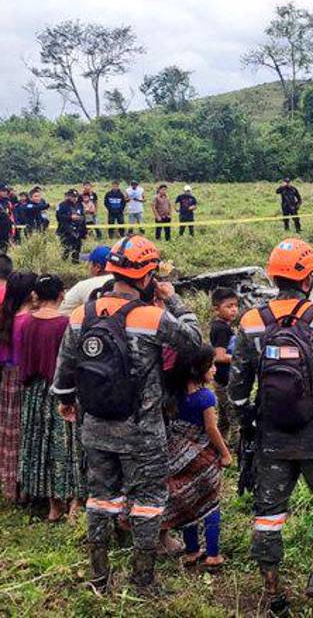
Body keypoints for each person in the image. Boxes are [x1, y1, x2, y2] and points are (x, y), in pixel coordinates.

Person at [52, 235, 203, 592]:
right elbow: (194, 342)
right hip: (143, 431)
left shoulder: (80, 314)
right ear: (147, 275)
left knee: (100, 499)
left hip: (95, 427)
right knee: (148, 503)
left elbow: (64, 373)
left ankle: (98, 579)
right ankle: (142, 581)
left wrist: (67, 401)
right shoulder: (152, 317)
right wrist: (174, 300)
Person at [228, 238, 313, 610]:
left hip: (270, 430)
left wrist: (247, 423)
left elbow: (236, 389)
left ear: (273, 277)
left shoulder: (251, 321)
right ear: (309, 277)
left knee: (268, 513)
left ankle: (273, 595)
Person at [16, 275, 81, 521]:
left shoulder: (25, 323)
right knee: (67, 447)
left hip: (34, 391)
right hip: (60, 393)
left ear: (36, 296)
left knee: (38, 445)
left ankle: (52, 505)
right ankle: (73, 501)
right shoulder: (65, 323)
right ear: (61, 294)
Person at [165, 345, 230, 570]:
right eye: (210, 366)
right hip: (203, 459)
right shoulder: (206, 397)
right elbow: (211, 429)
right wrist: (225, 453)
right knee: (211, 504)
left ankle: (192, 551)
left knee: (187, 502)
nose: (214, 369)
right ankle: (213, 555)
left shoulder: (173, 396)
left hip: (177, 459)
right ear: (197, 370)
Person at [0, 271, 36, 502]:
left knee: (8, 432)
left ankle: (9, 483)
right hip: (25, 379)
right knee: (26, 432)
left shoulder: (6, 317)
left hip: (6, 378)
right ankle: (25, 487)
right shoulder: (29, 322)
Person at [208, 287, 239, 446]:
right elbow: (219, 356)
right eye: (229, 306)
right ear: (216, 309)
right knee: (235, 418)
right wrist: (239, 358)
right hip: (224, 380)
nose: (234, 310)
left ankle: (217, 444)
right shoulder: (221, 329)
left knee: (225, 417)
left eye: (235, 305)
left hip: (222, 379)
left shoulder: (224, 326)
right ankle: (236, 448)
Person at [60, 246, 114, 315]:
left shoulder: (83, 285)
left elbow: (62, 309)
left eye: (90, 263)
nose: (88, 266)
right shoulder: (124, 284)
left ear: (97, 267)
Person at [55, 189, 87, 263]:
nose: (74, 198)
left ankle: (75, 261)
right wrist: (70, 217)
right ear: (68, 196)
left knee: (77, 247)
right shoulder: (62, 205)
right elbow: (59, 217)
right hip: (66, 230)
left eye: (76, 197)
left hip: (78, 229)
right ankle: (63, 261)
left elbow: (83, 217)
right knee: (66, 248)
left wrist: (84, 231)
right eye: (72, 197)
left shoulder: (80, 205)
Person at [0, 184, 13, 253]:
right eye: (3, 191)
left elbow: (11, 216)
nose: (5, 192)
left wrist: (11, 231)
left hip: (6, 230)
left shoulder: (8, 202)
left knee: (4, 251)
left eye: (6, 191)